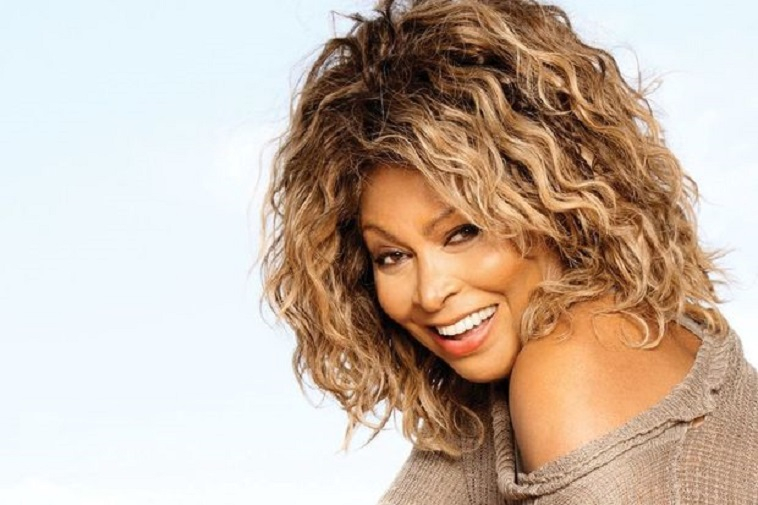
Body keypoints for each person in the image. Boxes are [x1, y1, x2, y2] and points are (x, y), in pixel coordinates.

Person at [262, 0, 758, 503]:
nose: (430, 293)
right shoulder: (541, 367)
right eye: (392, 256)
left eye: (463, 232)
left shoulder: (570, 363)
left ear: (554, 203)